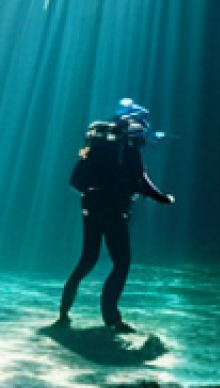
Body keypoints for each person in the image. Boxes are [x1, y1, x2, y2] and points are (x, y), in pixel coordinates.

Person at [56, 99, 174, 333]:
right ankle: (111, 317)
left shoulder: (98, 142)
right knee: (121, 263)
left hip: (90, 205)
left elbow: (76, 180)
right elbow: (140, 180)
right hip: (113, 208)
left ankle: (63, 313)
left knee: (87, 260)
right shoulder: (128, 144)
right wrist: (164, 198)